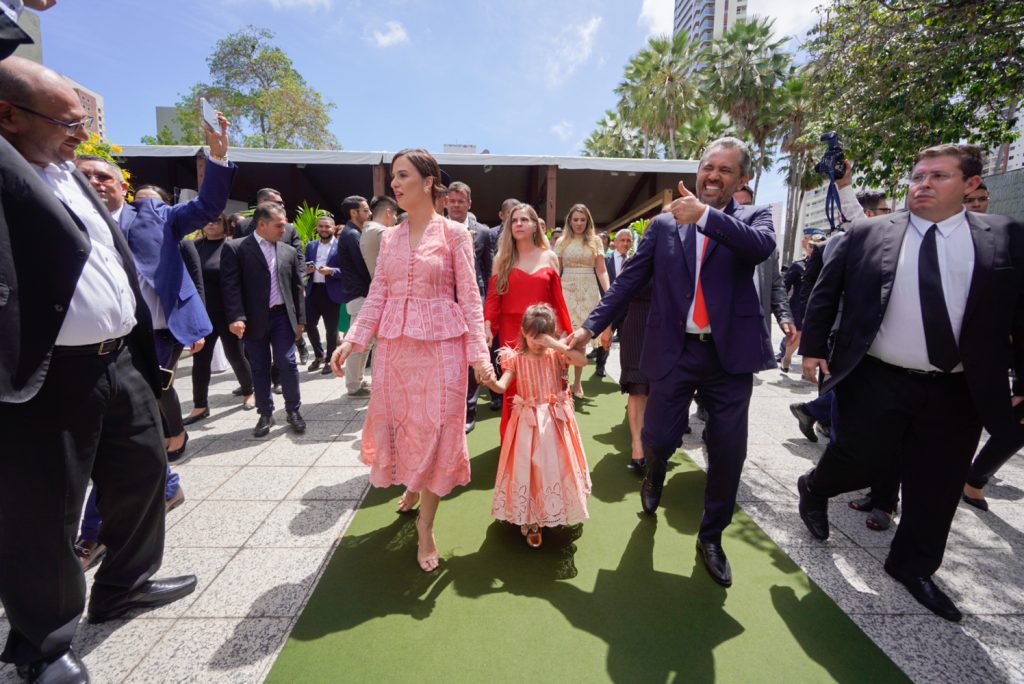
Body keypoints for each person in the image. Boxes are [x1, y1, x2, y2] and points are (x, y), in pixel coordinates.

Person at [0, 56, 196, 683]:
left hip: (119, 362)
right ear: (6, 115)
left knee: (143, 473)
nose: (80, 136)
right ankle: (44, 645)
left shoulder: (71, 174)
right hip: (49, 377)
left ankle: (124, 585)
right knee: (46, 513)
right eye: (66, 122)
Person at [795, 143, 1024, 622]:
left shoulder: (1007, 236)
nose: (922, 184)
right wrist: (812, 347)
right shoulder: (868, 232)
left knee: (937, 483)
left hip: (959, 387)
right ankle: (816, 487)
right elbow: (826, 291)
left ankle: (911, 565)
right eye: (918, 175)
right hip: (878, 376)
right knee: (858, 458)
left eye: (938, 176)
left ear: (971, 185)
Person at [568, 136, 776, 588]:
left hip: (729, 357)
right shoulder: (663, 227)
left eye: (725, 170)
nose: (713, 175)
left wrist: (705, 216)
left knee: (728, 451)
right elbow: (626, 284)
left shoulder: (753, 218)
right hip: (675, 350)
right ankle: (655, 472)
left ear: (741, 179)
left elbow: (760, 249)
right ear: (697, 172)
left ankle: (711, 537)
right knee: (658, 438)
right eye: (707, 167)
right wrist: (588, 328)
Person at [330, 148, 492, 572]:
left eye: (403, 176)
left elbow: (470, 299)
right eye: (392, 178)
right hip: (397, 351)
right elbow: (379, 293)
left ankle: (425, 524)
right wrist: (353, 340)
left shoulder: (455, 234)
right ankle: (413, 487)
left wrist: (479, 355)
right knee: (404, 427)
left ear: (427, 181)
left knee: (438, 429)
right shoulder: (389, 237)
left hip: (443, 348)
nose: (395, 185)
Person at [485, 304, 592, 548]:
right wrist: (489, 381)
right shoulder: (515, 358)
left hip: (555, 421)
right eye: (532, 336)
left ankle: (555, 508)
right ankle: (531, 520)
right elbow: (502, 387)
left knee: (555, 466)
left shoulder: (557, 355)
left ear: (551, 334)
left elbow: (582, 360)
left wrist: (555, 343)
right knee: (529, 467)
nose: (537, 342)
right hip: (528, 424)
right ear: (523, 331)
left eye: (542, 337)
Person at [484, 203, 573, 441]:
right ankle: (514, 441)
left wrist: (563, 334)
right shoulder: (502, 258)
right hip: (511, 330)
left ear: (535, 225)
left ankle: (544, 442)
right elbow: (493, 298)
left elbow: (558, 300)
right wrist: (487, 328)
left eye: (524, 220)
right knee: (514, 387)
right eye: (514, 221)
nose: (519, 224)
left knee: (544, 386)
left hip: (543, 333)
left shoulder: (549, 256)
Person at [221, 202, 307, 437]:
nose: (284, 229)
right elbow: (230, 286)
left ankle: (293, 411)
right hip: (253, 319)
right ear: (261, 224)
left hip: (281, 317)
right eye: (279, 225)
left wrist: (300, 320)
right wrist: (236, 316)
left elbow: (296, 287)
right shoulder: (237, 249)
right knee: (259, 367)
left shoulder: (287, 251)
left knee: (287, 363)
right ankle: (265, 412)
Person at [184, 214, 255, 424]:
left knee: (235, 354)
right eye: (207, 220)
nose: (211, 223)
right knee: (200, 360)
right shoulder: (194, 247)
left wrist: (240, 315)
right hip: (203, 314)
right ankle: (200, 405)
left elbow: (241, 284)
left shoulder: (233, 247)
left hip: (228, 313)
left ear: (224, 224)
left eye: (216, 220)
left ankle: (249, 391)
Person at [447, 180, 494, 433]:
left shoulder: (483, 232)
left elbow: (489, 272)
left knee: (471, 353)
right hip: (442, 300)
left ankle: (470, 407)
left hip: (473, 300)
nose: (456, 205)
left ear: (469, 203)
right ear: (446, 202)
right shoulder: (435, 228)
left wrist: (486, 306)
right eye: (452, 201)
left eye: (460, 201)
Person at [556, 203, 610, 398]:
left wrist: (610, 293)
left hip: (588, 290)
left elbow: (601, 269)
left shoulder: (596, 241)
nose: (579, 223)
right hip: (566, 289)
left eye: (582, 220)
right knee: (564, 335)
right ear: (569, 220)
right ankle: (563, 379)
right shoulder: (562, 241)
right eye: (575, 219)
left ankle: (577, 383)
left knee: (581, 338)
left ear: (588, 221)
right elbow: (556, 270)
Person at [336, 194, 374, 397]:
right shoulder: (352, 235)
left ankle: (357, 381)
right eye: (366, 209)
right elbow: (364, 267)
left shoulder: (354, 232)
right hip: (359, 296)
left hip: (359, 295)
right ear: (354, 212)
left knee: (365, 343)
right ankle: (353, 385)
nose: (369, 213)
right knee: (358, 342)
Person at [303, 215, 342, 374]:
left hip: (331, 292)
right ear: (317, 228)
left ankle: (330, 359)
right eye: (321, 227)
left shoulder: (341, 246)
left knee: (331, 329)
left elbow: (348, 270)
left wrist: (332, 271)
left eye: (327, 227)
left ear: (333, 228)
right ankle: (319, 355)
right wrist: (306, 269)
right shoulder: (311, 246)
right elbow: (303, 265)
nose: (324, 230)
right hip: (313, 290)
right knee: (309, 325)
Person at [595, 229, 634, 378]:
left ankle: (627, 372)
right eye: (622, 240)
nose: (625, 243)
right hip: (609, 306)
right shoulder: (605, 259)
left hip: (628, 309)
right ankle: (600, 365)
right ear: (615, 243)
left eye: (628, 240)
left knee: (627, 341)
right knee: (604, 336)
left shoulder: (636, 260)